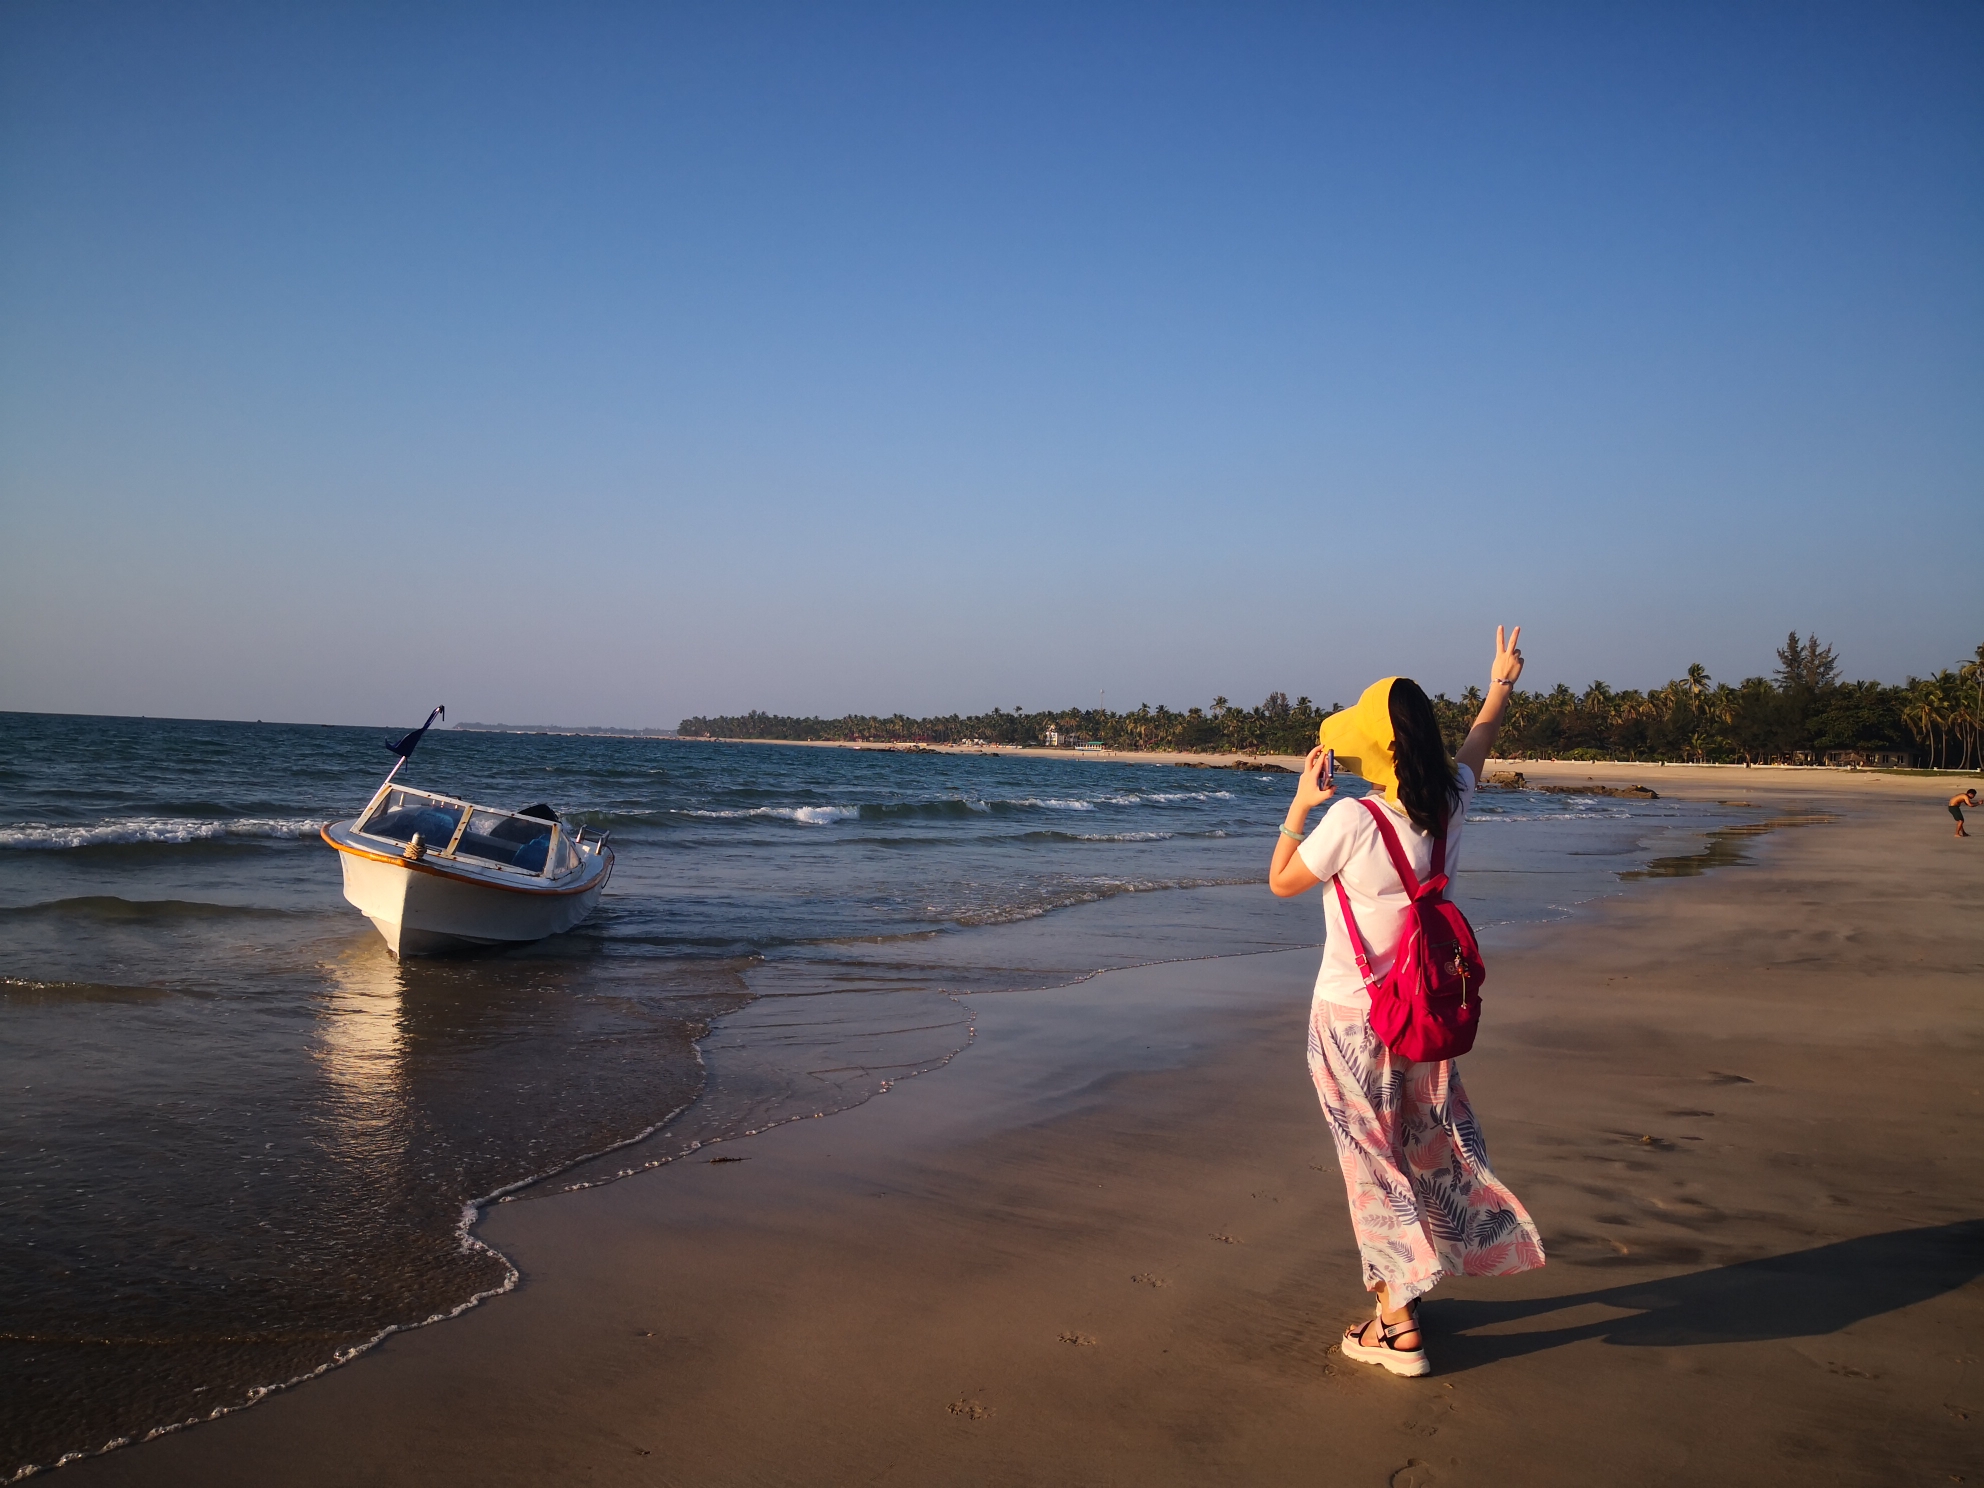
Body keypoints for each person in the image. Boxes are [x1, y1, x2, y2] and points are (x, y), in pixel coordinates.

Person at [1268, 626, 1546, 1378]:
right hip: (1422, 1018)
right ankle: (1408, 1293)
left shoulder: (1355, 821)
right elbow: (1477, 744)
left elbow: (1282, 880)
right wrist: (1501, 682)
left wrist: (1300, 803)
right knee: (1417, 1152)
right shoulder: (1450, 801)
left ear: (1382, 750)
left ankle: (1396, 1326)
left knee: (1371, 1166)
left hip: (1351, 1021)